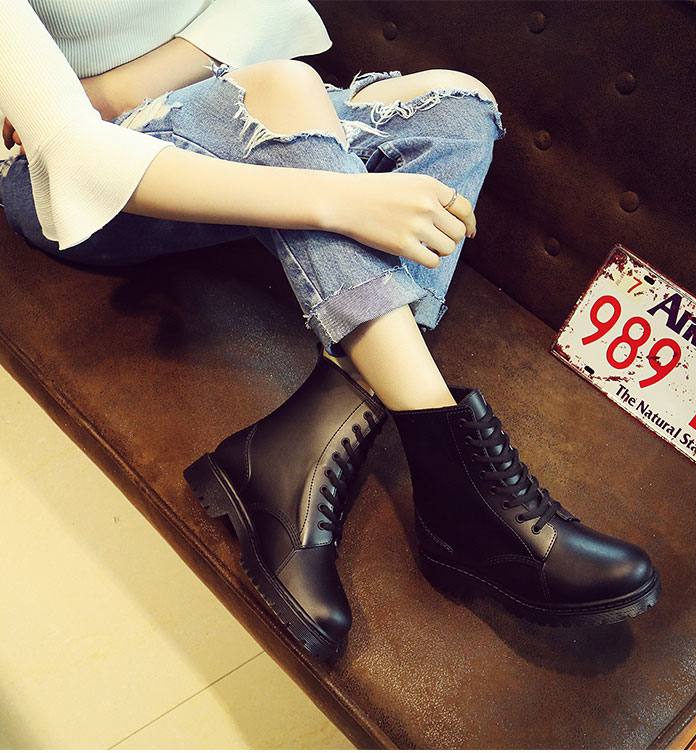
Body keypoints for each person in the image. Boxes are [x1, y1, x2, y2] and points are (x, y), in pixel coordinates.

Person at [1, 0, 660, 664]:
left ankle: (298, 450)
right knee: (282, 87)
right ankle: (464, 493)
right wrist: (343, 198)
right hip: (82, 176)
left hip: (218, 100)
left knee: (460, 107)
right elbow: (74, 155)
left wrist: (117, 89)